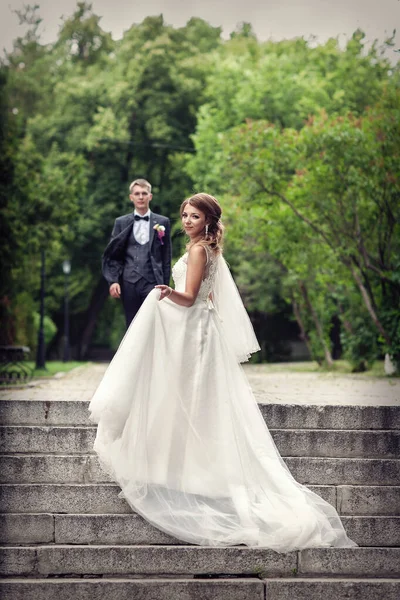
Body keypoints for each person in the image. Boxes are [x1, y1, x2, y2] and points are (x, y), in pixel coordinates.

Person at [89, 193, 356, 552]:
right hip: (199, 328)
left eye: (194, 216)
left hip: (196, 331)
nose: (186, 221)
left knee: (190, 400)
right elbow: (208, 298)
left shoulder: (200, 251)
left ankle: (190, 473)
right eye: (184, 215)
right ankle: (189, 470)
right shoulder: (208, 249)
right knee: (195, 402)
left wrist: (166, 292)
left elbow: (191, 296)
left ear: (208, 220)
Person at [102, 178, 172, 328]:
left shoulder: (163, 222)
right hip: (128, 282)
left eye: (144, 193)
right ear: (131, 197)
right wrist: (113, 280)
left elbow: (166, 257)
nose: (141, 197)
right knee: (132, 324)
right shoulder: (121, 222)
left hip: (153, 283)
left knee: (152, 324)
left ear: (150, 196)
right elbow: (113, 254)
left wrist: (166, 286)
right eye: (137, 193)